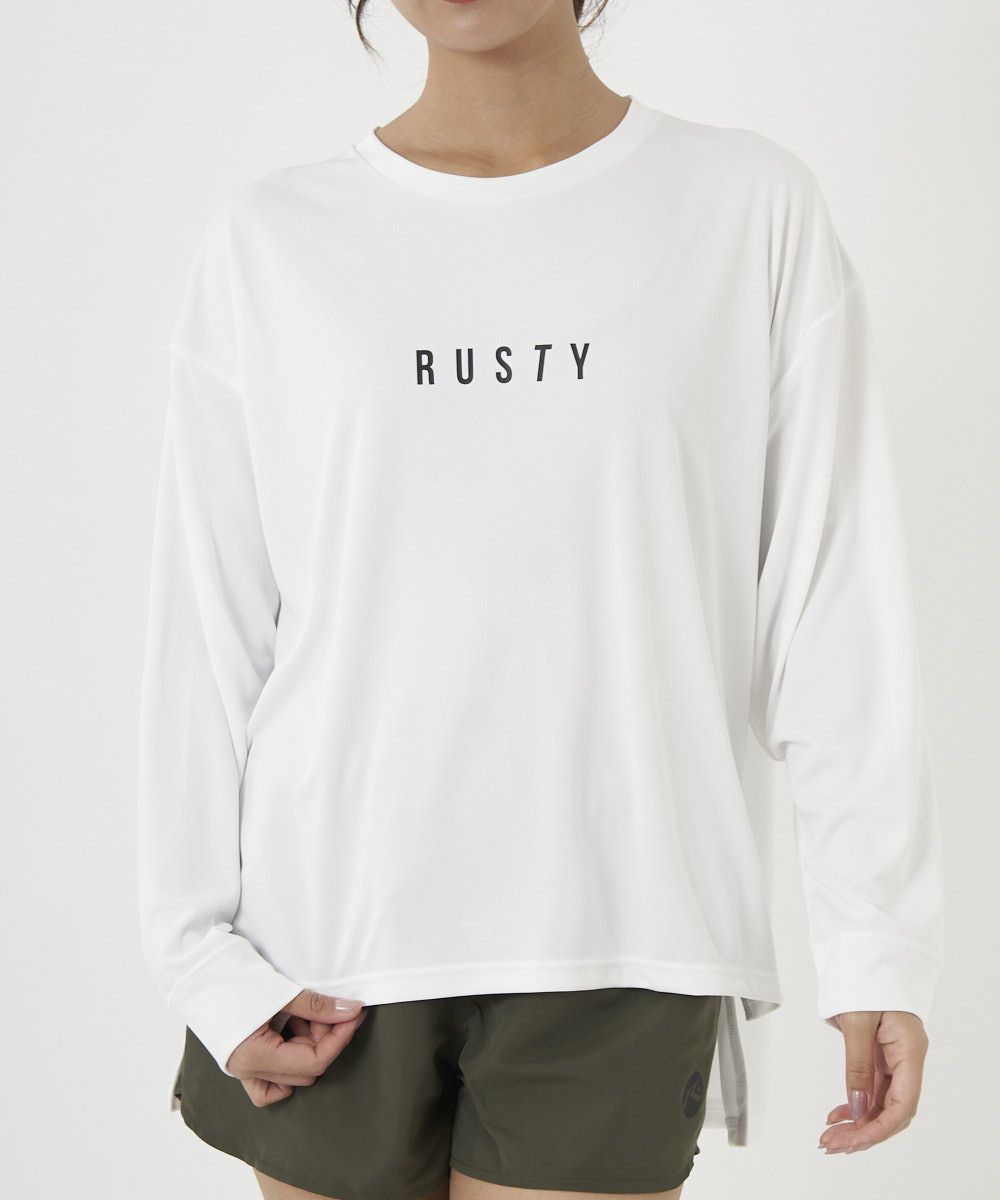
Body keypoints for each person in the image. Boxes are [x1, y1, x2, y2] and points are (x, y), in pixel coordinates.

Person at [136, 2, 946, 1198]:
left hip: (627, 925)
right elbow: (207, 630)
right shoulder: (274, 238)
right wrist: (200, 957)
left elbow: (833, 602)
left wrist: (874, 940)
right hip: (323, 946)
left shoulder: (745, 207)